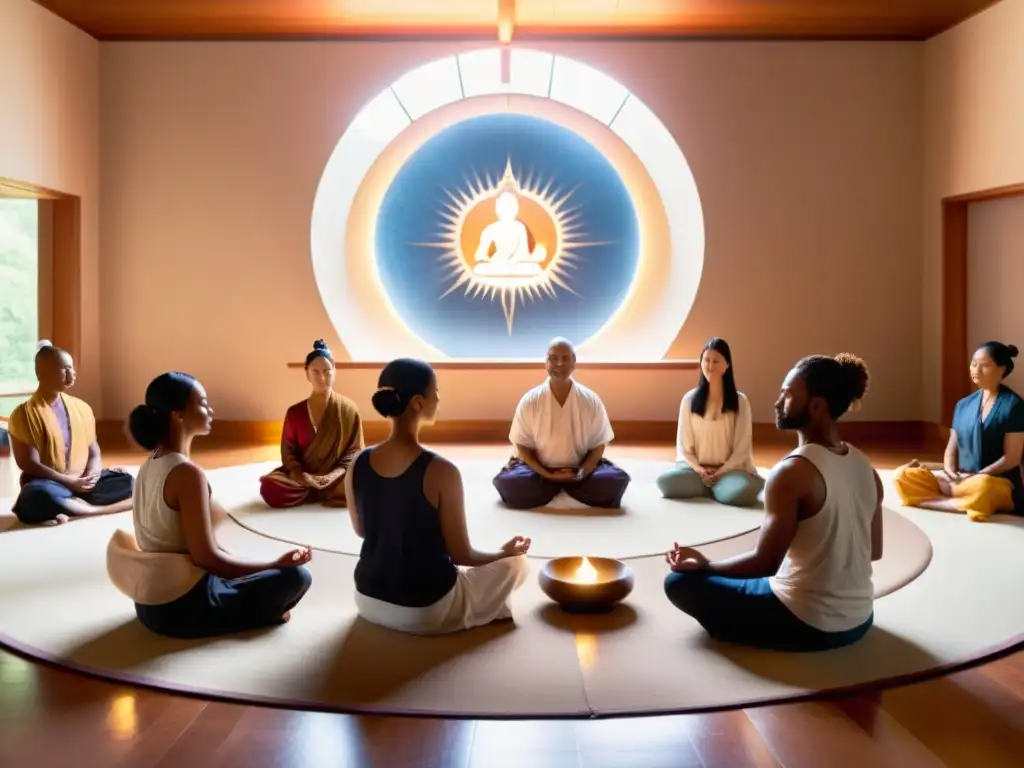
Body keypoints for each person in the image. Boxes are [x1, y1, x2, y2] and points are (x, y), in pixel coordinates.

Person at [664, 354, 883, 652]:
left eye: (788, 394)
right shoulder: (865, 467)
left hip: (806, 623)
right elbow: (875, 551)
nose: (778, 402)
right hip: (861, 618)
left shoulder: (792, 472)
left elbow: (765, 563)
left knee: (679, 582)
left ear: (816, 406)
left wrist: (707, 565)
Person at [106, 372, 313, 639]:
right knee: (296, 577)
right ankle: (262, 614)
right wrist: (274, 565)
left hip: (148, 603)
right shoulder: (186, 474)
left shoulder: (150, 464)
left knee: (248, 565)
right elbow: (206, 558)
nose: (210, 409)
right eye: (202, 403)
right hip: (179, 607)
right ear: (178, 415)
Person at [345, 358, 531, 635]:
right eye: (437, 391)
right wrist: (502, 554)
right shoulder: (442, 471)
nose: (439, 398)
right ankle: (487, 607)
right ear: (418, 402)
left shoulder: (357, 462)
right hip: (425, 610)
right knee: (517, 564)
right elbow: (461, 554)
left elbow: (361, 531)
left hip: (366, 599)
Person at [492, 338, 631, 509]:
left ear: (574, 363)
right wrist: (547, 474)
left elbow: (598, 446)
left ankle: (561, 487)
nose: (559, 363)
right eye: (553, 358)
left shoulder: (590, 400)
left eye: (565, 358)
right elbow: (522, 447)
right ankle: (564, 487)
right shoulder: (530, 401)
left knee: (616, 480)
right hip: (539, 472)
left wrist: (581, 473)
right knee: (509, 482)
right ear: (546, 363)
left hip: (581, 470)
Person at [892, 341, 1024, 521]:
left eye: (984, 365)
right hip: (961, 480)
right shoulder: (963, 405)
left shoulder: (1014, 406)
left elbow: (1012, 458)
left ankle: (936, 501)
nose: (976, 370)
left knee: (983, 488)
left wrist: (979, 475)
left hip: (993, 481)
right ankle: (958, 503)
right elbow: (951, 448)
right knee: (903, 475)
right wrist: (950, 473)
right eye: (973, 364)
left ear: (1002, 369)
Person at [6, 341, 133, 525]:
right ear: (42, 373)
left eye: (72, 369)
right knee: (34, 497)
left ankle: (70, 507)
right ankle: (89, 509)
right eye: (64, 369)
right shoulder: (24, 414)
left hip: (81, 483)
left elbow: (94, 453)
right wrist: (68, 482)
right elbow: (28, 463)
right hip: (49, 483)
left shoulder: (82, 408)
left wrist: (91, 476)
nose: (71, 374)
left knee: (128, 481)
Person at [656, 338, 764, 507]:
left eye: (716, 361)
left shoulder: (740, 401)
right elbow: (684, 448)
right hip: (696, 471)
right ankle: (712, 488)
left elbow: (741, 450)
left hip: (730, 471)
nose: (710, 366)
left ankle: (715, 486)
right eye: (706, 360)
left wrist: (720, 473)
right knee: (665, 482)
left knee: (744, 491)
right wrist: (700, 470)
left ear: (727, 365)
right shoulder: (689, 399)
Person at [259, 340, 364, 508]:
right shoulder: (295, 412)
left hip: (338, 479)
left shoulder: (348, 409)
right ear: (307, 373)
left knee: (363, 481)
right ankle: (310, 490)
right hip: (305, 478)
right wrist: (300, 475)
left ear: (334, 372)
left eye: (327, 371)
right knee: (269, 488)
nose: (322, 377)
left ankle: (317, 492)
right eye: (315, 371)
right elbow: (289, 452)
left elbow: (354, 451)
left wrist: (332, 476)